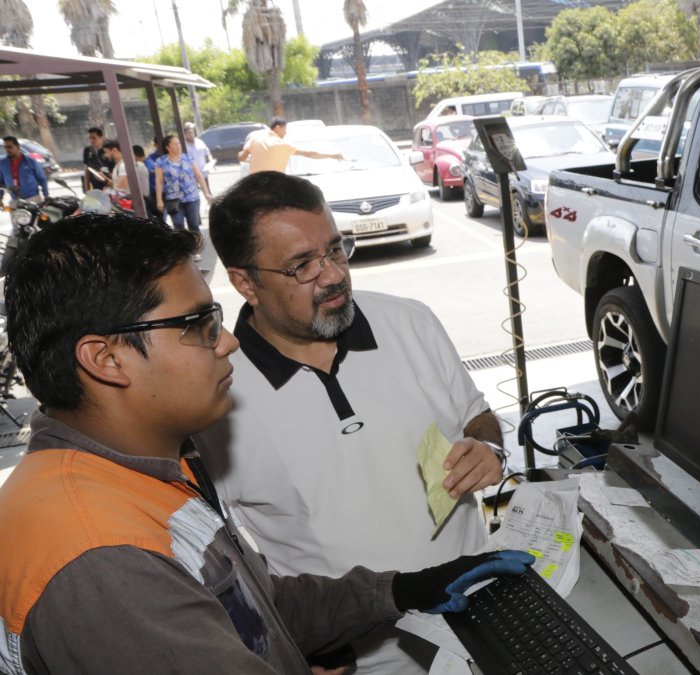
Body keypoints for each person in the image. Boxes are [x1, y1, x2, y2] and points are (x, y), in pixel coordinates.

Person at [0, 212, 533, 673]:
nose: (228, 341)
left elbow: (257, 610)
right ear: (106, 359)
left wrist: (404, 590)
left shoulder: (141, 477)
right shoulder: (103, 558)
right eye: (199, 325)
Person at [196, 171, 507, 674]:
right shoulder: (214, 397)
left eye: (336, 250)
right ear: (245, 282)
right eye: (302, 265)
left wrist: (490, 449)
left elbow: (477, 415)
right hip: (362, 660)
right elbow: (224, 564)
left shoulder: (411, 322)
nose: (333, 276)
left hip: (481, 615)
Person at [238, 117, 343, 174]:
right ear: (278, 128)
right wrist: (331, 155)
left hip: (254, 183)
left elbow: (242, 157)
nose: (286, 133)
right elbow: (309, 154)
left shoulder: (255, 137)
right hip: (274, 184)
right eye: (284, 129)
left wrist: (252, 158)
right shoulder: (282, 145)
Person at [155, 133, 212, 234]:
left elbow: (199, 176)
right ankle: (184, 244)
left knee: (194, 225)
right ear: (167, 147)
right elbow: (159, 182)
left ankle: (196, 243)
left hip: (192, 198)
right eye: (175, 144)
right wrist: (159, 200)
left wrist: (206, 193)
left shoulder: (188, 158)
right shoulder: (161, 162)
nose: (178, 146)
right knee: (178, 225)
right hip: (173, 199)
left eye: (179, 144)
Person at [0, 136, 50, 202]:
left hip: (33, 198)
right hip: (15, 200)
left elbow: (42, 178)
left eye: (10, 147)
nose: (7, 150)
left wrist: (46, 195)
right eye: (6, 147)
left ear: (18, 147)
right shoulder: (2, 164)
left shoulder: (30, 161)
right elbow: (1, 183)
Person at [184, 121, 214, 191]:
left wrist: (211, 162)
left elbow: (207, 153)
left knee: (207, 191)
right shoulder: (183, 145)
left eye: (192, 132)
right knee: (194, 193)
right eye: (189, 133)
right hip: (190, 175)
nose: (191, 134)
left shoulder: (200, 142)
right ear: (185, 134)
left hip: (203, 172)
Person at [81, 126, 113, 191]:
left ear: (101, 137)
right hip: (96, 188)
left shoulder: (109, 150)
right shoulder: (88, 150)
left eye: (94, 138)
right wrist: (87, 189)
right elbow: (87, 170)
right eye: (89, 138)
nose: (91, 141)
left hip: (109, 186)